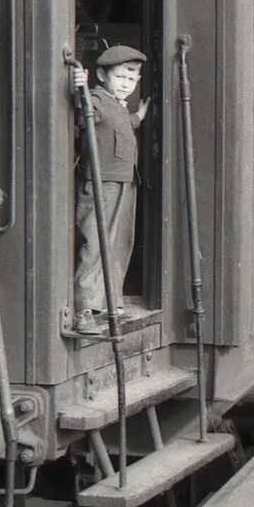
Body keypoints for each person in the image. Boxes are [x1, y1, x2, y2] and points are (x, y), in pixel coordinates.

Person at [70, 45, 150, 334]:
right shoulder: (97, 100)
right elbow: (83, 112)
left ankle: (109, 299)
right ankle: (84, 310)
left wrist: (138, 117)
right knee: (95, 243)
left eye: (132, 79)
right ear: (102, 75)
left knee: (118, 243)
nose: (126, 84)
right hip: (101, 184)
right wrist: (79, 89)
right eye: (120, 77)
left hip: (124, 182)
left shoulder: (118, 105)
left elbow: (124, 123)